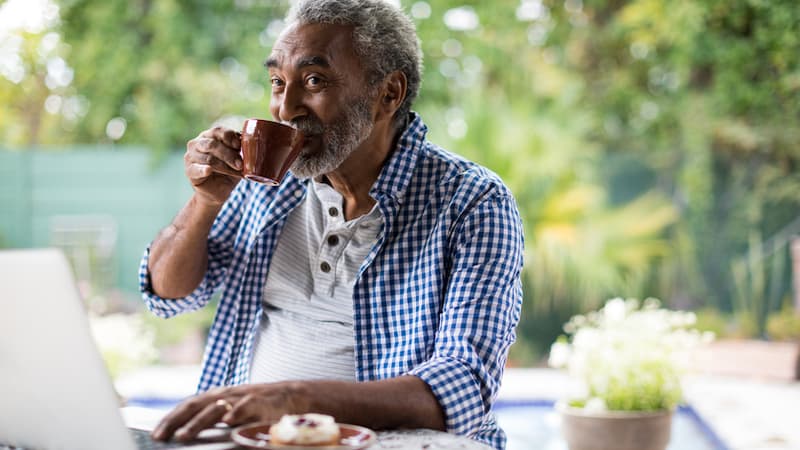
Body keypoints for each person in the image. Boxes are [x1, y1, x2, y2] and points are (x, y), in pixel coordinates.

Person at [139, 1, 524, 449]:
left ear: (388, 94)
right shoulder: (265, 179)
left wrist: (294, 399)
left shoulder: (472, 202)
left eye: (314, 81)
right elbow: (169, 295)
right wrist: (204, 202)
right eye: (277, 82)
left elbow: (461, 390)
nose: (285, 109)